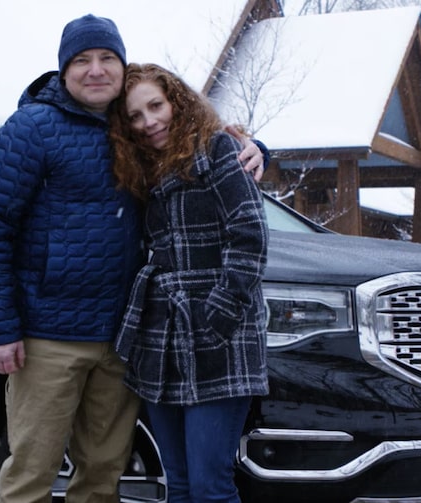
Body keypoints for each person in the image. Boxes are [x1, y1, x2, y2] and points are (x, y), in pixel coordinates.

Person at [0, 15, 265, 503]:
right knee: (31, 473)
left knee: (103, 474)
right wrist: (0, 328)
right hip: (48, 335)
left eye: (107, 58)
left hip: (126, 339)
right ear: (63, 70)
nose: (95, 69)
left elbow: (200, 162)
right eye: (81, 60)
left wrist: (253, 149)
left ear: (123, 67)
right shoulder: (31, 129)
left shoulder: (134, 130)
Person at [108, 63, 270, 503]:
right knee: (177, 484)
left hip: (219, 337)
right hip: (160, 340)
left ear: (176, 100)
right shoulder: (140, 167)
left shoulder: (218, 149)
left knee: (210, 486)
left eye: (155, 106)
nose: (148, 122)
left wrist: (219, 313)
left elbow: (250, 234)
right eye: (135, 116)